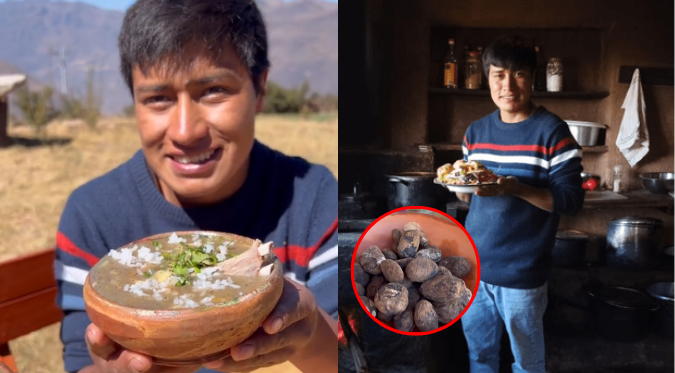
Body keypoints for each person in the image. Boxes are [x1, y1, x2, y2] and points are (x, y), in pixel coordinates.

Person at [53, 1, 338, 372]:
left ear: (260, 89)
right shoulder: (93, 215)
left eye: (214, 90)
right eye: (158, 98)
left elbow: (353, 354)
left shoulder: (314, 200)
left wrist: (309, 331)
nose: (186, 132)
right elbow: (81, 358)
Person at [456, 35, 584, 373]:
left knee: (527, 363)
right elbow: (465, 194)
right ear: (488, 79)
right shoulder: (476, 131)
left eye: (519, 74)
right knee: (479, 357)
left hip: (522, 271)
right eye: (498, 75)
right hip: (473, 266)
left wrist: (516, 190)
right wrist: (461, 187)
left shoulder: (552, 132)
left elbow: (571, 200)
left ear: (532, 79)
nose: (508, 85)